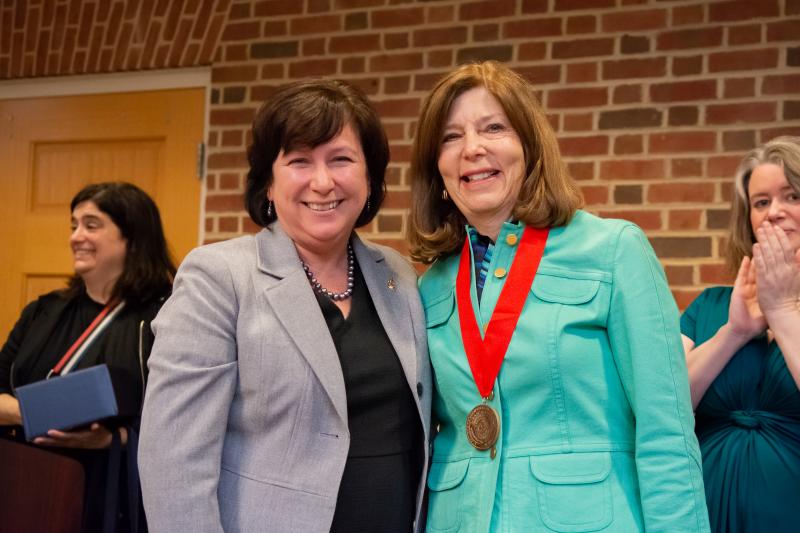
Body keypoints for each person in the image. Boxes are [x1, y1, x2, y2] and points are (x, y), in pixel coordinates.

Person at [407, 61, 710, 532]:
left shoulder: (614, 251)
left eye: (493, 128)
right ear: (437, 168)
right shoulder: (431, 286)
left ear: (529, 146)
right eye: (450, 137)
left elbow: (666, 433)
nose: (472, 148)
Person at [138, 79, 431, 533]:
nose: (322, 181)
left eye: (341, 159)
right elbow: (174, 462)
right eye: (299, 161)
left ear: (369, 177)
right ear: (269, 186)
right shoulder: (219, 278)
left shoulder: (397, 274)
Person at [0, 181, 175, 533]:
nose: (76, 236)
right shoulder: (42, 312)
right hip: (24, 488)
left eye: (92, 225)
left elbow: (181, 421)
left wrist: (114, 439)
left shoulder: (166, 319)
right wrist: (29, 412)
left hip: (110, 498)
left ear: (133, 238)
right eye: (74, 225)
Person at [680, 136, 800, 533]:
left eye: (792, 196)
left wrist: (781, 311)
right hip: (703, 512)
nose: (774, 213)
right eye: (761, 202)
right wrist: (733, 333)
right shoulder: (711, 305)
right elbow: (665, 404)